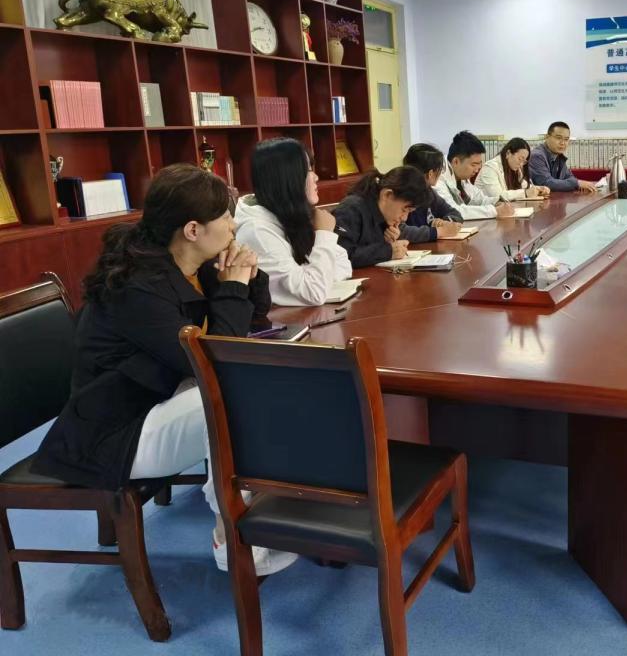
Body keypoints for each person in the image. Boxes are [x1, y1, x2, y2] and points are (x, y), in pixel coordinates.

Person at [32, 164, 297, 576]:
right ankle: (231, 532)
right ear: (192, 229)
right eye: (226, 218)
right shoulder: (138, 287)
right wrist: (233, 286)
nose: (233, 226)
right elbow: (215, 361)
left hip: (161, 400)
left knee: (259, 388)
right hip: (115, 433)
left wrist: (245, 275)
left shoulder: (191, 264)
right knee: (233, 396)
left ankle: (274, 504)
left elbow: (251, 318)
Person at [234, 137, 351, 306]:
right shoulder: (256, 231)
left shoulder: (288, 214)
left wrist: (318, 277)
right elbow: (313, 293)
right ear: (287, 179)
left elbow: (343, 264)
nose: (316, 177)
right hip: (281, 320)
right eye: (308, 170)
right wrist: (324, 235)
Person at [332, 166, 433, 267]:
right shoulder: (351, 209)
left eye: (409, 212)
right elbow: (340, 257)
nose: (404, 218)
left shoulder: (384, 214)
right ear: (387, 195)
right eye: (404, 210)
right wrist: (388, 251)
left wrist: (387, 242)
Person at [435, 130, 516, 220]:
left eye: (479, 164)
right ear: (456, 161)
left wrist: (496, 202)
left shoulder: (460, 174)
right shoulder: (437, 177)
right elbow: (453, 211)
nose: (477, 170)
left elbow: (478, 199)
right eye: (473, 165)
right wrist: (495, 211)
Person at [402, 143, 465, 241]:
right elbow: (400, 231)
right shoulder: (402, 193)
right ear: (430, 174)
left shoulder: (429, 192)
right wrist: (438, 232)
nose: (440, 173)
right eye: (439, 170)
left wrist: (444, 222)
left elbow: (455, 213)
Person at [528, 121, 597, 193]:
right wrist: (577, 183)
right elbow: (546, 183)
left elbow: (569, 177)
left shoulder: (558, 155)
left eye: (566, 139)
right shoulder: (537, 156)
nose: (562, 143)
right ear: (547, 137)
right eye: (558, 138)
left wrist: (580, 184)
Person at [477, 137, 551, 201]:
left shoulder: (514, 169)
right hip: (484, 210)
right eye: (520, 159)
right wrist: (525, 193)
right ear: (508, 153)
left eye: (524, 161)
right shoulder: (490, 167)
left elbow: (525, 186)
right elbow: (498, 196)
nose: (521, 165)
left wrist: (539, 189)